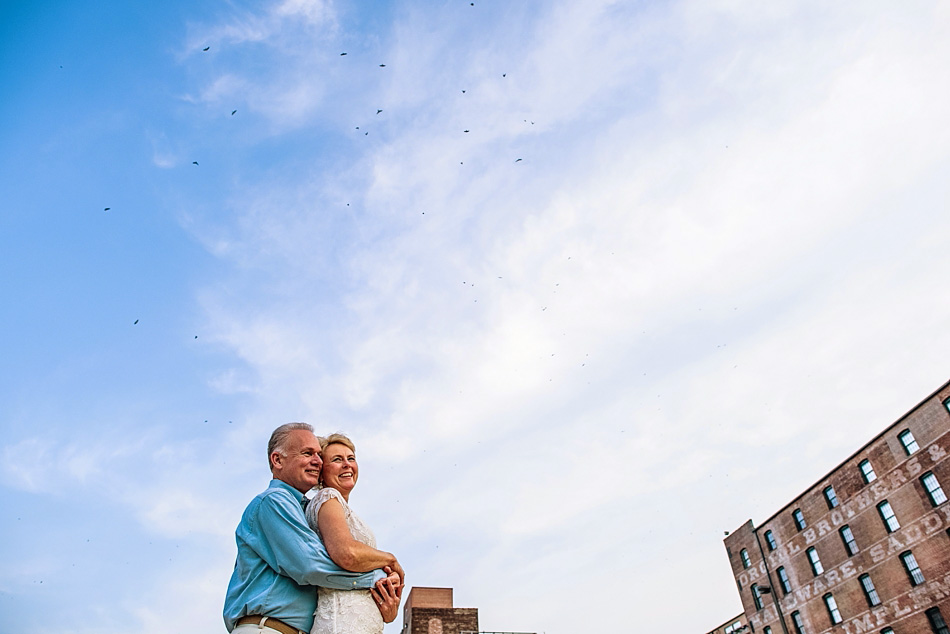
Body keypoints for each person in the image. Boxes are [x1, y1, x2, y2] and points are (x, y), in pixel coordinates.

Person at [224, 423, 398, 634]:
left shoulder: (306, 510)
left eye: (318, 455)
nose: (317, 460)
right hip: (267, 628)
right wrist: (378, 579)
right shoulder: (273, 502)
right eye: (307, 453)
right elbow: (311, 566)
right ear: (277, 460)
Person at [305, 433, 403, 634]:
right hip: (341, 623)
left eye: (351, 459)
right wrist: (390, 560)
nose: (347, 465)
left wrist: (388, 605)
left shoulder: (345, 510)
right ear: (321, 472)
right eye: (337, 460)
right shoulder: (327, 496)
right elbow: (346, 554)